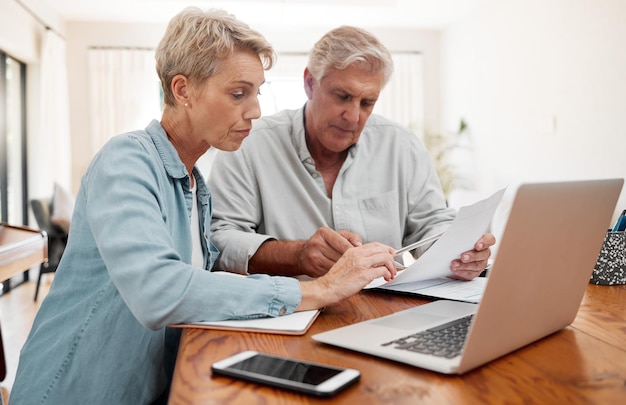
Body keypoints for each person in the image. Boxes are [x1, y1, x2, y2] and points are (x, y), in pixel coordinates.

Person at [10, 10, 396, 405]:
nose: (256, 111)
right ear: (183, 90)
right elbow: (159, 290)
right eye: (238, 93)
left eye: (257, 93)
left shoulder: (195, 184)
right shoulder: (126, 160)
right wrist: (319, 289)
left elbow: (199, 291)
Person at [208, 25, 495, 280]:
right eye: (343, 96)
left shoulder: (401, 145)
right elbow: (218, 241)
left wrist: (460, 252)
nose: (354, 116)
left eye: (367, 102)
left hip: (385, 311)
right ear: (309, 83)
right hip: (289, 311)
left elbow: (433, 223)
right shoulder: (249, 144)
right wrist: (298, 255)